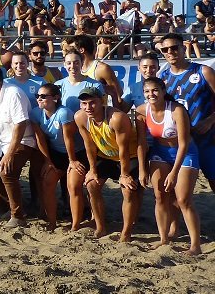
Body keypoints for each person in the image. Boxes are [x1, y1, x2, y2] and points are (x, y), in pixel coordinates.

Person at [136, 78, 203, 255]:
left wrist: (174, 172)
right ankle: (163, 238)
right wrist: (142, 169)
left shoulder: (177, 110)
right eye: (147, 91)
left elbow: (183, 144)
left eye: (155, 90)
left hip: (185, 152)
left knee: (183, 200)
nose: (151, 94)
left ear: (163, 91)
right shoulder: (141, 111)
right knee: (159, 196)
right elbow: (141, 143)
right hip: (161, 152)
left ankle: (195, 245)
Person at [74, 87, 145, 240]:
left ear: (102, 102)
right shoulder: (80, 117)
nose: (88, 107)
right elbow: (89, 145)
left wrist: (124, 174)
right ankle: (100, 227)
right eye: (84, 103)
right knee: (91, 184)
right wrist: (92, 170)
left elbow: (123, 150)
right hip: (105, 156)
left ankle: (126, 232)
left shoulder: (117, 118)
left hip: (128, 156)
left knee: (128, 189)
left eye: (92, 103)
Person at [0, 63, 38, 228]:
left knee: (6, 171)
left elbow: (21, 124)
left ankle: (18, 216)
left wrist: (10, 153)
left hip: (23, 140)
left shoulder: (14, 93)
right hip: (2, 142)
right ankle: (15, 206)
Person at [156, 33, 215, 180]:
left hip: (206, 139)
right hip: (179, 143)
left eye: (174, 47)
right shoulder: (162, 78)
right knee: (178, 194)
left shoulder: (203, 72)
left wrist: (210, 120)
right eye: (165, 50)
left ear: (183, 48)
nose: (170, 52)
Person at [30, 83, 78, 231]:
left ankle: (76, 224)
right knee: (47, 182)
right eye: (37, 96)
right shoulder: (35, 113)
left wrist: (72, 161)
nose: (39, 99)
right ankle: (52, 221)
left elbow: (69, 139)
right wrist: (48, 160)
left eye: (43, 96)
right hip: (56, 152)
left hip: (75, 152)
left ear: (56, 98)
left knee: (73, 186)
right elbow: (40, 139)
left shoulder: (64, 113)